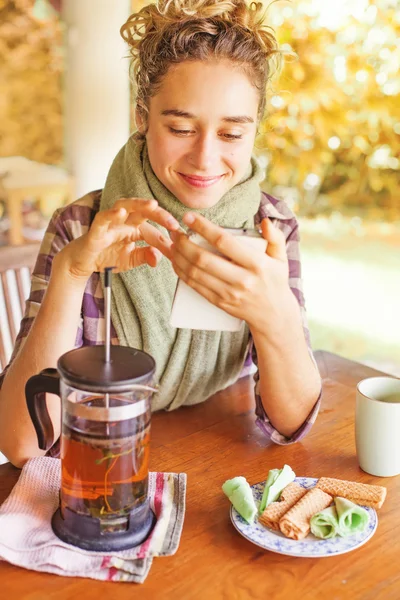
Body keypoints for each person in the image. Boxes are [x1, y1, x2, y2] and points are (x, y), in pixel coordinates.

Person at [0, 0, 321, 468]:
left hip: (218, 461)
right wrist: (71, 273)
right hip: (111, 468)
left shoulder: (271, 228)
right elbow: (22, 443)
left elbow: (290, 425)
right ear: (142, 117)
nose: (205, 159)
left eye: (231, 134)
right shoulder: (82, 227)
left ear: (255, 131)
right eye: (181, 127)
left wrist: (274, 316)